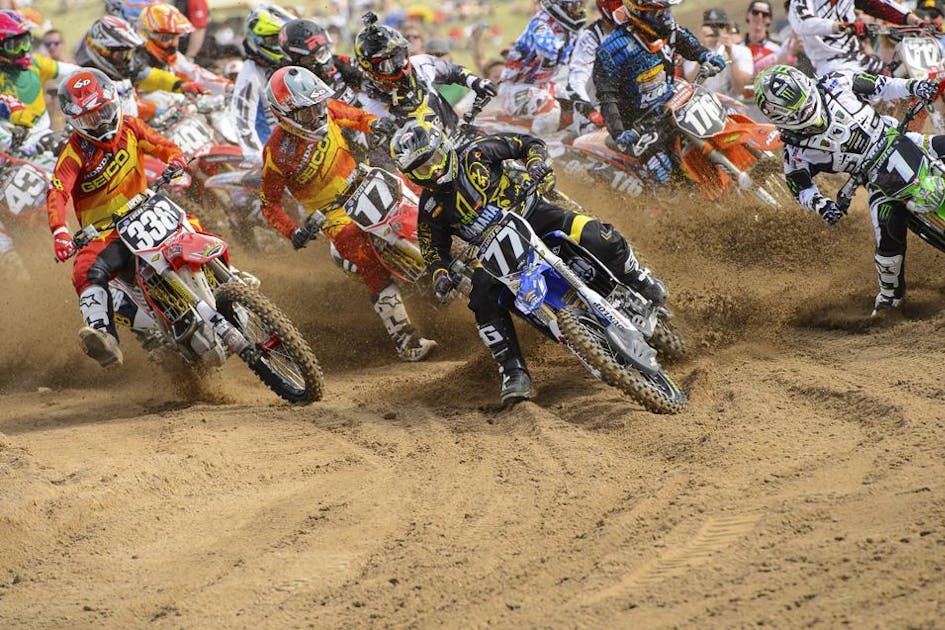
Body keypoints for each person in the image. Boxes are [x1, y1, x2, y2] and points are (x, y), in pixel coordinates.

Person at [389, 119, 668, 403]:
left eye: (434, 160)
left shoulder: (476, 152)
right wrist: (440, 275)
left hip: (533, 214)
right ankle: (513, 372)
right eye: (422, 169)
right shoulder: (431, 208)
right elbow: (433, 250)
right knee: (481, 299)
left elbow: (528, 143)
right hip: (493, 252)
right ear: (413, 175)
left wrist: (535, 163)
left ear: (445, 148)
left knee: (595, 234)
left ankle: (640, 280)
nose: (434, 171)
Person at [259, 66, 436, 361]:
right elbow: (269, 204)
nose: (317, 115)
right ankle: (406, 341)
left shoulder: (327, 109)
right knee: (366, 258)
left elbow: (357, 117)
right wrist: (293, 231)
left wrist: (377, 125)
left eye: (317, 106)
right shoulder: (277, 154)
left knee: (420, 186)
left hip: (366, 179)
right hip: (335, 214)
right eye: (307, 112)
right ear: (285, 115)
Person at [753, 64, 940, 315]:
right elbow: (800, 188)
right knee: (886, 231)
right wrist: (822, 206)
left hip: (905, 141)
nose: (810, 112)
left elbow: (881, 85)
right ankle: (889, 298)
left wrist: (914, 86)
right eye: (800, 112)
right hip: (877, 181)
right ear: (781, 118)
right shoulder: (795, 151)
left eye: (808, 103)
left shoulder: (837, 82)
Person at [47, 67, 189, 366]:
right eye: (90, 119)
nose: (100, 122)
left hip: (147, 209)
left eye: (104, 112)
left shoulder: (131, 126)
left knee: (190, 223)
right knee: (84, 270)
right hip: (106, 232)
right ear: (75, 122)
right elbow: (58, 191)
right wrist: (60, 231)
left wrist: (176, 158)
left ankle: (228, 275)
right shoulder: (73, 153)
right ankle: (104, 336)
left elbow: (163, 145)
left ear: (114, 103)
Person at [593, 0, 726, 185]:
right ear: (639, 13)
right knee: (663, 173)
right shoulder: (612, 50)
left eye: (666, 12)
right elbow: (607, 97)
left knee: (723, 118)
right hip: (641, 126)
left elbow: (686, 42)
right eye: (658, 14)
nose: (665, 18)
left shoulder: (669, 30)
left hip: (672, 104)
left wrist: (706, 55)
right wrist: (620, 133)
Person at [353, 12, 496, 130]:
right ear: (370, 69)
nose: (399, 65)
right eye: (388, 64)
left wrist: (476, 82)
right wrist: (375, 128)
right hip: (418, 155)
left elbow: (454, 71)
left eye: (400, 56)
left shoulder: (420, 63)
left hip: (454, 135)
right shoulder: (370, 102)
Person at [75, 15, 205, 119]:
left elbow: (151, 76)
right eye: (122, 54)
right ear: (102, 51)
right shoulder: (86, 83)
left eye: (129, 53)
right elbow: (120, 108)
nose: (127, 59)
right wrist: (155, 111)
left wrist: (182, 85)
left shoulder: (125, 68)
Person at [497, 0, 587, 135]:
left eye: (581, 7)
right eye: (574, 7)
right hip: (515, 88)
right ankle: (539, 144)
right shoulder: (541, 23)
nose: (578, 12)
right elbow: (550, 51)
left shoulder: (572, 30)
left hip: (544, 85)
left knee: (582, 103)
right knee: (549, 107)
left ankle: (572, 140)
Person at [0, 9, 79, 153]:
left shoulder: (35, 63)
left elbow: (72, 71)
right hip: (12, 149)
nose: (23, 50)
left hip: (46, 138)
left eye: (25, 42)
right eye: (14, 46)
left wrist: (98, 77)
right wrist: (23, 146)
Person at [229, 3, 294, 164]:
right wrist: (259, 159)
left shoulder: (290, 61)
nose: (279, 45)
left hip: (299, 139)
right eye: (273, 40)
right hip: (273, 149)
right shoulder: (250, 73)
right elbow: (241, 121)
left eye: (281, 39)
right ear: (258, 40)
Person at [788, 0, 922, 76]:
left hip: (860, 59)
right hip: (832, 66)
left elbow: (878, 4)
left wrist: (916, 21)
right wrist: (841, 26)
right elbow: (804, 23)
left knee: (903, 77)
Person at [137, 3, 230, 95]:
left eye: (176, 37)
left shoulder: (172, 57)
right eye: (166, 37)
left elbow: (195, 74)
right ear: (147, 34)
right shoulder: (135, 57)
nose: (172, 43)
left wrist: (227, 87)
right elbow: (146, 78)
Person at [562, 0, 623, 137]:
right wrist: (590, 112)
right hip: (598, 113)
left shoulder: (640, 30)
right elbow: (576, 80)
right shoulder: (591, 37)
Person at [278, 17, 363, 106]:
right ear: (294, 60)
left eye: (321, 53)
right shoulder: (284, 83)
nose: (320, 62)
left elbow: (368, 82)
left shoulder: (341, 62)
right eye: (309, 59)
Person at [683, 8, 754, 100]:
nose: (714, 30)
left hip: (732, 103)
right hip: (704, 102)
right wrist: (702, 50)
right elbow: (692, 84)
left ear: (727, 29)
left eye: (719, 26)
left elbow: (740, 88)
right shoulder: (694, 51)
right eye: (710, 25)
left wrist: (730, 53)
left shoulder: (742, 51)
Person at [743, 0, 780, 74]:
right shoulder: (737, 48)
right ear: (747, 15)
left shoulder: (777, 50)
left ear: (769, 20)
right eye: (755, 12)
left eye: (765, 14)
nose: (759, 17)